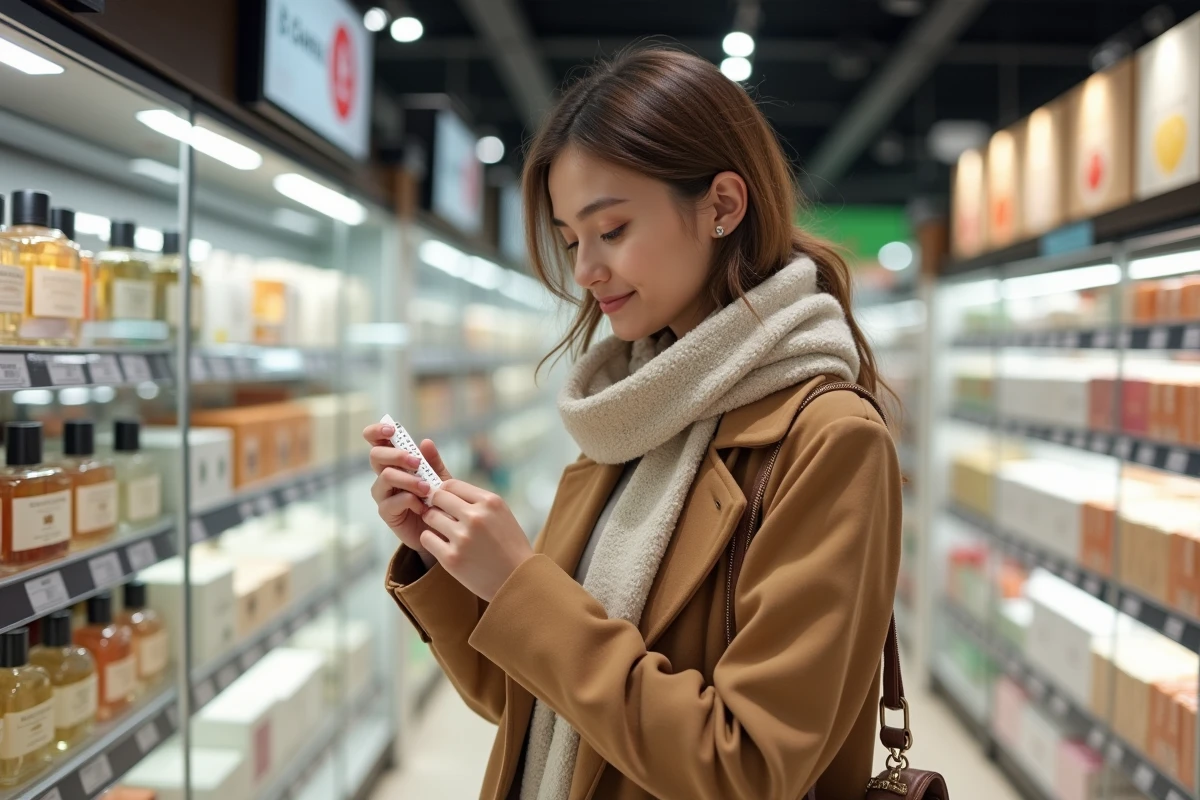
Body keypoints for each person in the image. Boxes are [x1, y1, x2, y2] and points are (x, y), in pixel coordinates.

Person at [365, 46, 902, 800]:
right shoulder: (623, 415)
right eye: (571, 238)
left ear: (722, 205)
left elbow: (747, 767)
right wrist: (450, 564)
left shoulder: (829, 440)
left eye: (610, 229)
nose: (584, 269)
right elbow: (531, 707)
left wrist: (521, 584)